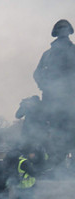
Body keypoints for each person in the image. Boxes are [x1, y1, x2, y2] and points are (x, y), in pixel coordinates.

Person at [33, 19, 75, 164]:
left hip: (71, 99)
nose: (63, 31)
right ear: (56, 33)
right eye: (60, 29)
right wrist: (45, 85)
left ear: (70, 31)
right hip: (52, 99)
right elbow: (37, 73)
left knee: (72, 130)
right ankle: (56, 163)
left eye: (66, 29)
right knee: (56, 131)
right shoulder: (47, 54)